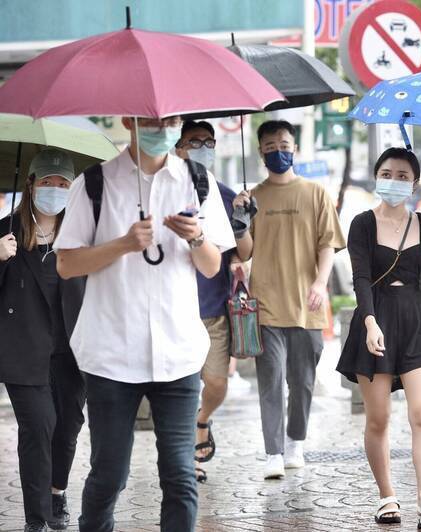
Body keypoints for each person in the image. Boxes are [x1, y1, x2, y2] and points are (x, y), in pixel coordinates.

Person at [54, 116, 236, 532]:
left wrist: (195, 238)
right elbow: (66, 264)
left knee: (180, 474)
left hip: (178, 352)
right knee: (109, 475)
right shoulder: (95, 182)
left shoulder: (196, 180)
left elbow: (211, 267)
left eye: (171, 119)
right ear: (128, 120)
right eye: (153, 119)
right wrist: (123, 243)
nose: (164, 126)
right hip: (111, 354)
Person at [338, 148, 421, 528]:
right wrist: (369, 322)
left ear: (415, 183)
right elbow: (360, 277)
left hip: (416, 325)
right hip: (375, 320)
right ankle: (386, 497)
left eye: (401, 175)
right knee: (378, 418)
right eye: (386, 173)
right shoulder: (363, 223)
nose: (392, 180)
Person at [233, 120, 345, 479]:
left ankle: (296, 440)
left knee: (303, 382)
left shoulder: (316, 194)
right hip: (265, 305)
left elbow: (328, 243)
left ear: (294, 147)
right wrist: (240, 220)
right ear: (259, 151)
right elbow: (245, 252)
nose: (276, 151)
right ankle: (274, 453)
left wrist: (320, 282)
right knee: (270, 381)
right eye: (268, 146)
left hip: (308, 307)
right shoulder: (254, 198)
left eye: (283, 143)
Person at [0, 149, 86, 532]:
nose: (55, 189)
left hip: (73, 345)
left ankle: (56, 492)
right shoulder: (7, 231)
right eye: (47, 181)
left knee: (68, 426)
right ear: (30, 183)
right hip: (23, 347)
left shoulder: (82, 231)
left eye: (63, 183)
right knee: (40, 425)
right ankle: (37, 517)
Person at [174, 120, 250, 483]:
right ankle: (188, 459)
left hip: (214, 307)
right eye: (194, 141)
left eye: (208, 142)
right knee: (181, 387)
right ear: (178, 147)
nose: (202, 147)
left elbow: (243, 252)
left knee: (216, 384)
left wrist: (242, 220)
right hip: (174, 310)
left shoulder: (224, 193)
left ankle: (202, 419)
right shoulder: (164, 192)